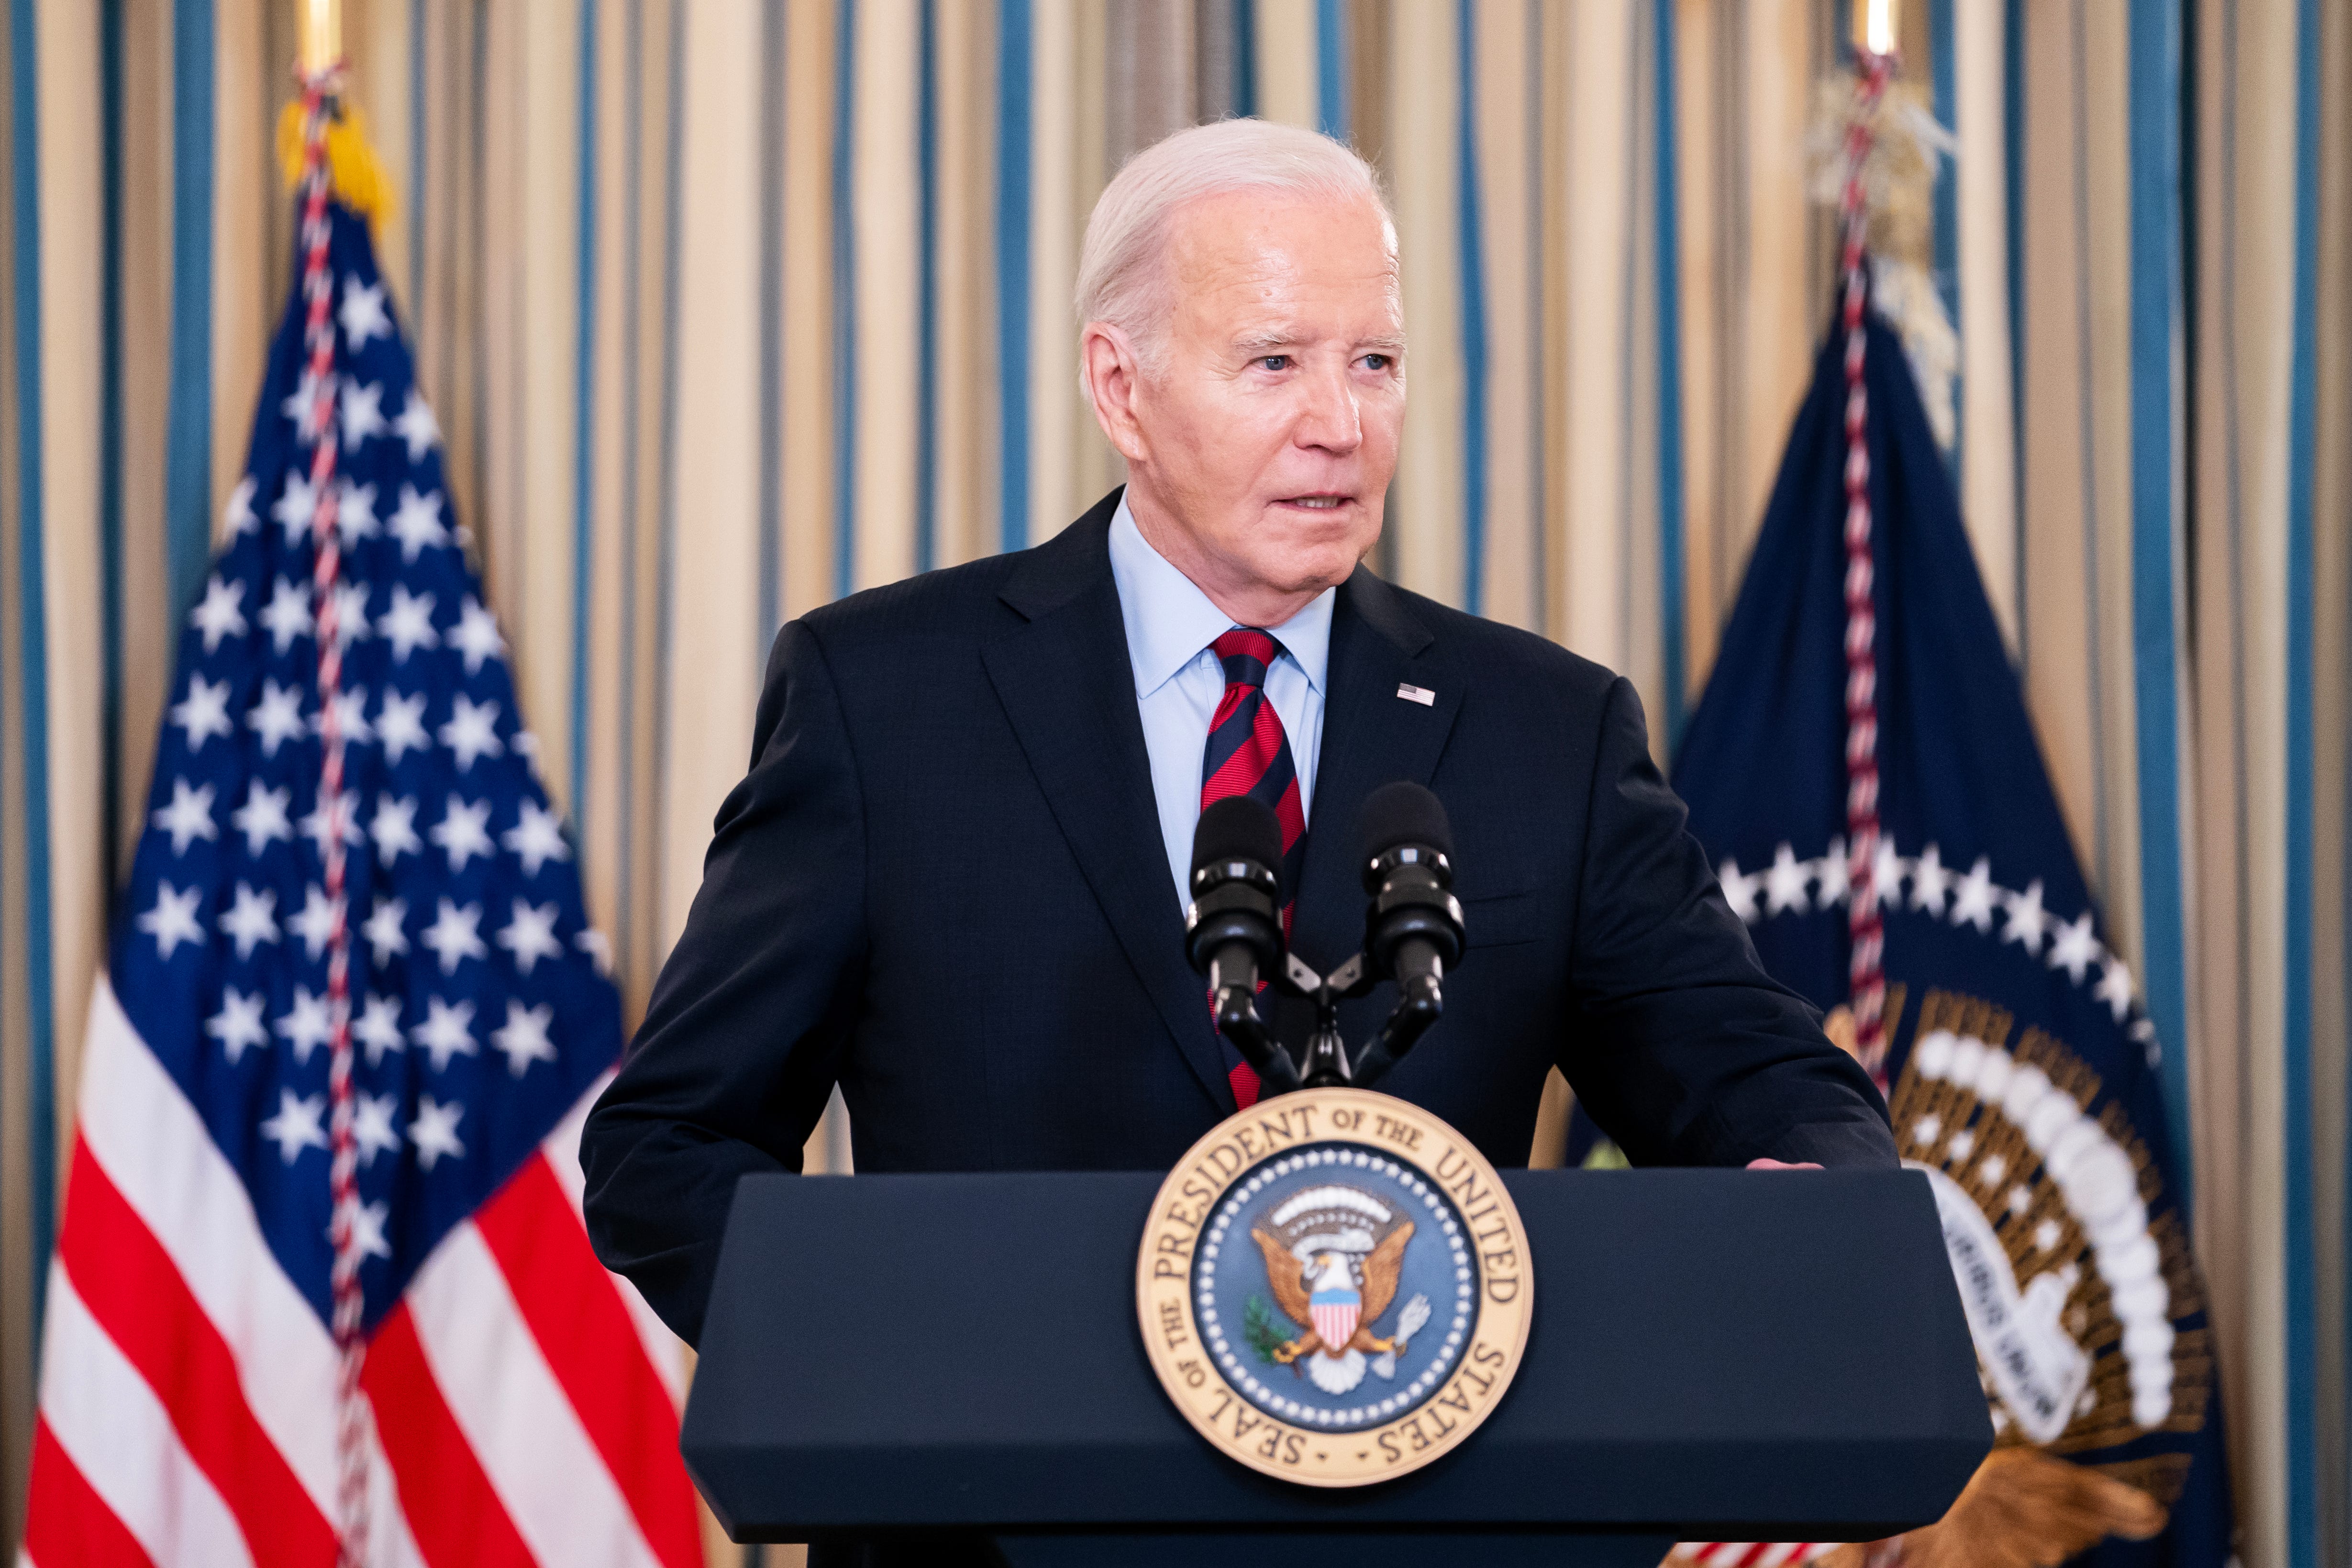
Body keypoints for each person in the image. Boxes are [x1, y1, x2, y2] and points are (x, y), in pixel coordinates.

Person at [581, 118, 1893, 1354]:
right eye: (1274, 362)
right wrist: (901, 1378)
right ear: (1122, 387)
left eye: (1371, 362)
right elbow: (673, 1145)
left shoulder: (1545, 728)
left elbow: (1754, 1076)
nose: (1341, 424)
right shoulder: (882, 698)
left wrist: (1809, 1179)